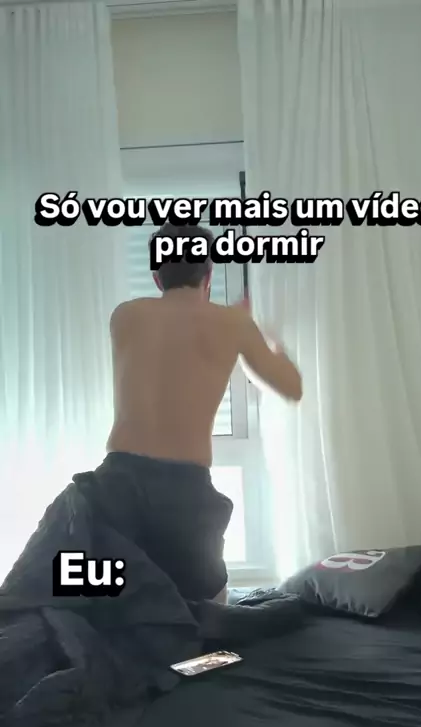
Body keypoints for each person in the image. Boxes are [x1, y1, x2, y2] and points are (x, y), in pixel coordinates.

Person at [86, 222, 303, 605]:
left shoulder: (125, 315)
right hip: (183, 489)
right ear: (209, 273)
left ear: (157, 276)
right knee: (208, 610)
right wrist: (265, 338)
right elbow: (291, 388)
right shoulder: (232, 323)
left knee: (112, 600)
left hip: (118, 480)